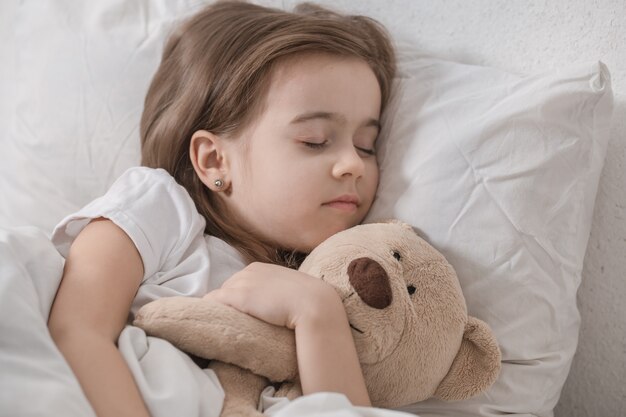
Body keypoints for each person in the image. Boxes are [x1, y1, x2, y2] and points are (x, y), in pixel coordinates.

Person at [47, 1, 396, 416]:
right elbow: (77, 331)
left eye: (366, 146)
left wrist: (318, 312)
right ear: (214, 161)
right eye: (315, 140)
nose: (353, 164)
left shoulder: (332, 281)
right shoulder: (160, 211)